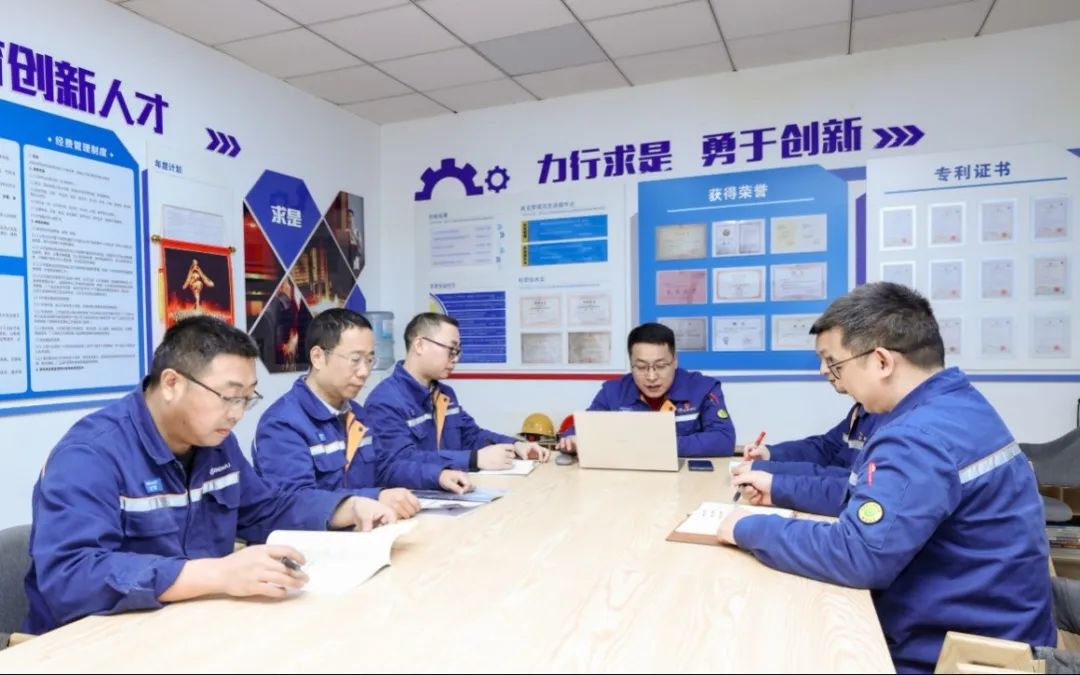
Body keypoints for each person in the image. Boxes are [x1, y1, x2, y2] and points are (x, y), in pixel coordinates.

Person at [719, 282, 1055, 673]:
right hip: (996, 626)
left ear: (881, 362)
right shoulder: (957, 404)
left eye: (836, 364)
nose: (829, 375)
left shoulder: (916, 436)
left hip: (965, 655)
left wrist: (746, 528)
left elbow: (858, 555)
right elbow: (865, 499)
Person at [24, 316, 397, 634]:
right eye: (229, 396)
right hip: (94, 640)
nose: (237, 413)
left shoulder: (215, 443)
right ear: (172, 383)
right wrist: (217, 574)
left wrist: (347, 507)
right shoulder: (91, 455)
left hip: (191, 625)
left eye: (247, 398)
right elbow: (72, 576)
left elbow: (264, 509)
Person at [253, 309, 473, 519]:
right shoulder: (282, 423)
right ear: (318, 357)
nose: (364, 372)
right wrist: (375, 498)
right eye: (355, 360)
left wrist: (438, 475)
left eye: (369, 360)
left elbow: (385, 468)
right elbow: (295, 502)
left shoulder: (356, 415)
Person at [366, 313, 550, 472]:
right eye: (451, 350)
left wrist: (516, 445)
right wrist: (474, 459)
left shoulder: (444, 395)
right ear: (420, 345)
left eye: (458, 351)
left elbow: (471, 435)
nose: (455, 359)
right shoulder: (385, 401)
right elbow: (401, 462)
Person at [556, 322, 735, 457]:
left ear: (675, 361)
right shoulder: (612, 392)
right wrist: (571, 439)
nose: (651, 376)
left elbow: (724, 440)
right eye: (641, 367)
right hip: (628, 481)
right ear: (631, 363)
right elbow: (583, 428)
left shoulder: (703, 388)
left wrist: (655, 445)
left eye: (661, 366)